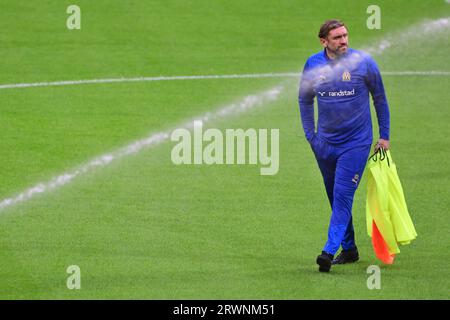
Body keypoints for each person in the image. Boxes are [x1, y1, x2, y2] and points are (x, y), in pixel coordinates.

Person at [298, 19, 391, 272]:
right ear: (323, 41)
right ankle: (349, 249)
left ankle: (328, 251)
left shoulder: (364, 63)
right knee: (334, 196)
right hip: (325, 145)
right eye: (337, 37)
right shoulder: (313, 64)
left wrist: (384, 135)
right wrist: (311, 136)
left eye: (345, 35)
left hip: (356, 144)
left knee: (342, 196)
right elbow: (305, 100)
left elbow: (380, 99)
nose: (344, 41)